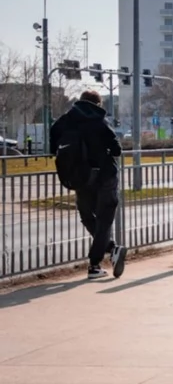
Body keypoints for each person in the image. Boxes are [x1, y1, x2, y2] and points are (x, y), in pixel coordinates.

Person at [49, 90, 127, 280]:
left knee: (87, 215)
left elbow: (53, 143)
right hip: (105, 175)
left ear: (80, 101)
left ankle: (110, 249)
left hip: (80, 177)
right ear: (98, 104)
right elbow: (116, 149)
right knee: (105, 218)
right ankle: (95, 263)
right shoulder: (100, 121)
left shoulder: (66, 120)